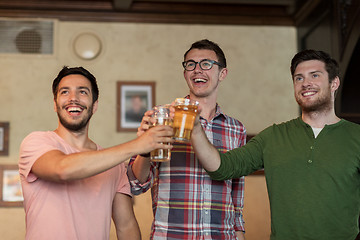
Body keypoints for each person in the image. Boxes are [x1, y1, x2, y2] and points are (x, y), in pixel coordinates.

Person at [190, 49, 360, 240]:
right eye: (299, 78)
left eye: (315, 75)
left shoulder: (356, 137)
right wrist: (196, 129)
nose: (306, 83)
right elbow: (221, 168)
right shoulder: (273, 136)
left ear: (334, 83)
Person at [18, 66, 173, 240]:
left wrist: (143, 150)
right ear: (55, 104)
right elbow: (62, 169)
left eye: (83, 92)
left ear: (94, 105)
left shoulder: (114, 164)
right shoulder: (37, 142)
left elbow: (126, 226)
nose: (73, 98)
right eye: (64, 92)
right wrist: (139, 145)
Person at [127, 39, 247, 239]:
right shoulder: (162, 118)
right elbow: (137, 184)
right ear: (185, 74)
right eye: (190, 64)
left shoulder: (236, 129)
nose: (197, 70)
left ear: (222, 73)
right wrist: (144, 149)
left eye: (206, 64)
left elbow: (236, 199)